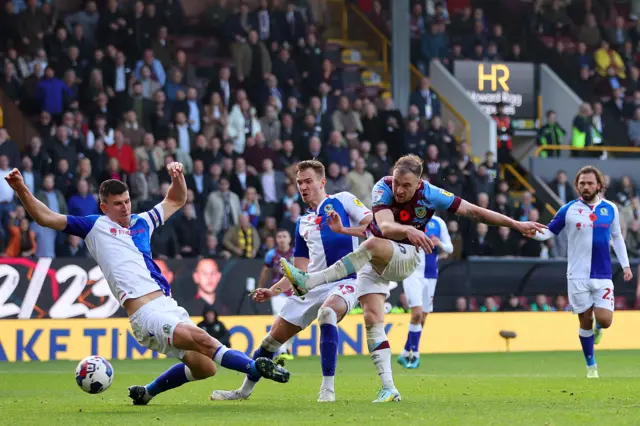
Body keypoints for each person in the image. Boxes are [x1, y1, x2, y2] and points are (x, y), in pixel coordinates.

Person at [4, 163, 289, 405]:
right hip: (144, 314)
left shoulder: (143, 221)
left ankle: (147, 393)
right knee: (203, 339)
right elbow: (46, 217)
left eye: (127, 201)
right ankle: (256, 367)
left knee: (205, 368)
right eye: (117, 204)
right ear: (104, 206)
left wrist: (178, 177)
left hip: (167, 305)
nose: (125, 207)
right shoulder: (94, 226)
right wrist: (21, 189)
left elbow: (176, 200)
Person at [281, 155, 545, 402]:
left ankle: (312, 281)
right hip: (377, 258)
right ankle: (388, 388)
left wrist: (516, 224)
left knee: (373, 246)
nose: (398, 190)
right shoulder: (382, 188)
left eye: (405, 185)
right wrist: (362, 229)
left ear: (419, 183)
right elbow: (383, 226)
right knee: (372, 318)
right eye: (396, 182)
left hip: (406, 256)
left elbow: (475, 212)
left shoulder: (431, 194)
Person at [210, 160, 372, 403]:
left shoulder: (344, 200)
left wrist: (342, 231)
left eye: (308, 181)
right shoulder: (302, 223)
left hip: (345, 280)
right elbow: (299, 270)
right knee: (270, 341)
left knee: (327, 313)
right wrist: (273, 291)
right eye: (299, 182)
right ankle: (243, 391)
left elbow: (372, 226)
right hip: (312, 285)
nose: (303, 187)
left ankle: (327, 390)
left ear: (322, 182)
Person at [532, 165, 632, 379]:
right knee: (584, 319)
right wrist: (527, 230)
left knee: (604, 320)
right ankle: (591, 366)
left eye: (590, 183)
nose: (585, 187)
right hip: (577, 275)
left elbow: (617, 238)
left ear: (599, 185)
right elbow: (548, 232)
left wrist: (625, 266)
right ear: (577, 186)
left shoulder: (610, 209)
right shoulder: (568, 209)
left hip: (603, 275)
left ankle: (599, 329)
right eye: (582, 183)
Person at [397, 215, 452, 369]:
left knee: (423, 316)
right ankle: (415, 355)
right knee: (416, 313)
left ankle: (405, 352)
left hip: (431, 274)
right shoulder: (409, 219)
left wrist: (439, 243)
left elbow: (450, 247)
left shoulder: (438, 222)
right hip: (412, 272)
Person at [257, 228, 295, 360]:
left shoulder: (297, 253)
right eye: (279, 237)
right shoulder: (271, 254)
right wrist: (260, 287)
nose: (282, 239)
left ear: (289, 239)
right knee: (278, 317)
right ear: (276, 240)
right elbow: (265, 271)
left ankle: (287, 348)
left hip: (294, 291)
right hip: (277, 291)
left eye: (284, 236)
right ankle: (283, 350)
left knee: (294, 319)